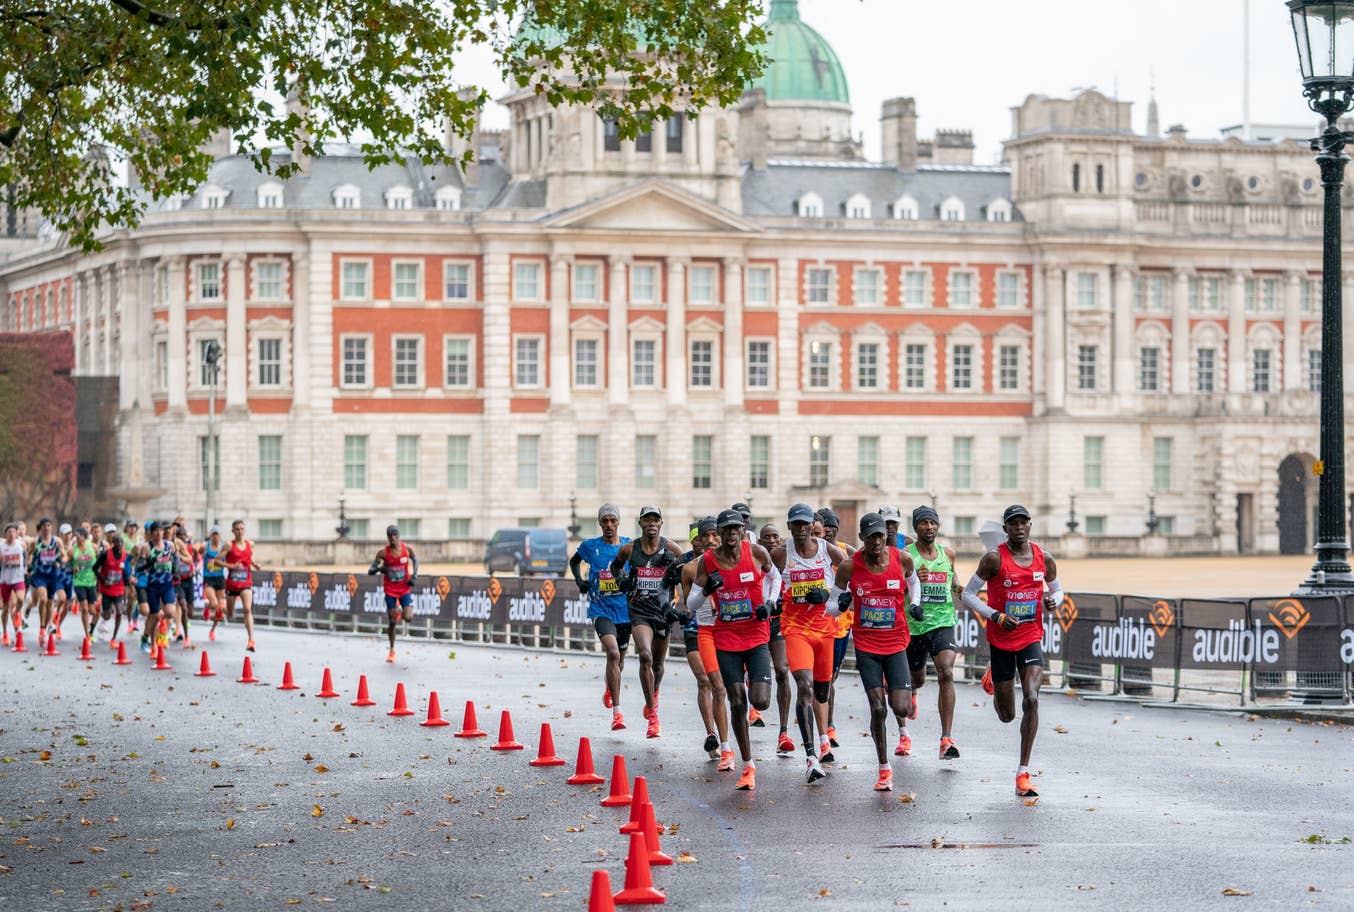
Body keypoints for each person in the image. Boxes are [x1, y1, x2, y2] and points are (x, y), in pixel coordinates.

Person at [961, 504, 1063, 799]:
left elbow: (1057, 590)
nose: (1019, 527)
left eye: (1024, 522)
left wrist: (1053, 600)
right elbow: (968, 595)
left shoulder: (1045, 558)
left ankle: (1023, 772)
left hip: (1031, 636)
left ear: (1030, 525)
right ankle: (995, 676)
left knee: (1031, 699)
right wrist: (995, 615)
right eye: (1013, 524)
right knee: (1007, 715)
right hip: (1002, 640)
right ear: (1005, 529)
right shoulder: (994, 559)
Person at [687, 509, 780, 791]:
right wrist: (705, 591)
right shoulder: (708, 561)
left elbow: (775, 579)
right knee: (736, 701)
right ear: (720, 532)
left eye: (734, 529)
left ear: (742, 530)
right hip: (726, 639)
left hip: (755, 636)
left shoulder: (757, 553)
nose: (729, 535)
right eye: (724, 530)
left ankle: (756, 712)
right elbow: (691, 604)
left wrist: (770, 603)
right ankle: (748, 764)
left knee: (760, 701)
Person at [829, 512, 922, 792]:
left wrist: (915, 603)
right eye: (870, 537)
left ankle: (898, 694)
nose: (876, 541)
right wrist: (842, 603)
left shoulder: (902, 559)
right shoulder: (849, 567)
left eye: (880, 535)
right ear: (862, 539)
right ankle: (884, 768)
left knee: (901, 707)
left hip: (895, 644)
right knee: (878, 709)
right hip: (867, 647)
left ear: (886, 536)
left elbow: (914, 582)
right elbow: (830, 608)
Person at [771, 503, 848, 783]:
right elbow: (764, 576)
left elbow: (850, 577)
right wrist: (770, 601)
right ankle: (811, 757)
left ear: (811, 525)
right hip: (796, 629)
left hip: (825, 629)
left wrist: (828, 593)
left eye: (805, 524)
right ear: (789, 527)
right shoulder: (782, 553)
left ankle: (824, 734)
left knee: (822, 691)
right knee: (804, 685)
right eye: (796, 525)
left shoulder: (829, 551)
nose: (801, 529)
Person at [610, 506, 685, 739]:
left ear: (661, 523)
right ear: (640, 523)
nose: (651, 523)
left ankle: (654, 694)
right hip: (639, 611)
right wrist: (622, 579)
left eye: (655, 519)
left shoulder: (672, 548)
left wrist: (674, 573)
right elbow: (615, 566)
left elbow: (686, 573)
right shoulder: (630, 549)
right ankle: (653, 716)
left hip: (662, 612)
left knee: (658, 666)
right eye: (647, 520)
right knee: (645, 655)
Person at [904, 506, 963, 760]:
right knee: (916, 679)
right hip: (914, 626)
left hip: (942, 622)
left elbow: (952, 576)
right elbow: (893, 588)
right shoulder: (905, 556)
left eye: (933, 523)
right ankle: (915, 692)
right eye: (924, 523)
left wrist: (958, 585)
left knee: (946, 672)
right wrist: (912, 579)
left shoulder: (947, 554)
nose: (929, 527)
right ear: (915, 527)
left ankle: (946, 739)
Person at [671, 517, 730, 762]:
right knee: (705, 681)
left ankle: (726, 733)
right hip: (696, 629)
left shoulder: (729, 561)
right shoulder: (687, 565)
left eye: (711, 536)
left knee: (722, 687)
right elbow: (674, 593)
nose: (705, 542)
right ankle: (710, 734)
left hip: (724, 630)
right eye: (699, 538)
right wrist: (674, 610)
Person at [570, 504, 631, 730]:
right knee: (613, 653)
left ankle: (610, 685)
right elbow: (574, 561)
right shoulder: (590, 546)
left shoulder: (628, 546)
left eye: (612, 520)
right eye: (604, 521)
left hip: (624, 611)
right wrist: (579, 580)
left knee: (620, 659)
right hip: (601, 609)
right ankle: (618, 713)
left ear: (618, 523)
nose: (608, 525)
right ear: (599, 523)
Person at [756, 523, 793, 751]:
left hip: (779, 621)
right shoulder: (753, 560)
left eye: (775, 536)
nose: (771, 540)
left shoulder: (787, 562)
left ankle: (784, 731)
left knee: (782, 670)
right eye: (766, 536)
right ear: (759, 542)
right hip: (755, 622)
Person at [366, 525, 418, 662]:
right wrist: (380, 569)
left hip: (404, 589)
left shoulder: (407, 549)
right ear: (388, 537)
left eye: (395, 535)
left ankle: (401, 612)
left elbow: (415, 559)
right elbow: (370, 571)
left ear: (398, 536)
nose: (392, 538)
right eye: (390, 535)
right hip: (390, 590)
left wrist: (414, 575)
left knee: (409, 618)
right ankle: (392, 650)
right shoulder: (383, 553)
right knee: (392, 621)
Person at [137, 522, 177, 654]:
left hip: (167, 585)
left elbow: (175, 559)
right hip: (152, 586)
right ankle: (152, 644)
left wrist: (176, 572)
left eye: (161, 531)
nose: (159, 533)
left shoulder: (169, 545)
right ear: (151, 532)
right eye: (156, 531)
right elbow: (139, 567)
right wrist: (149, 563)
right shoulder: (146, 548)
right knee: (153, 617)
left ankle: (163, 630)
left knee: (170, 612)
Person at [222, 520, 261, 652]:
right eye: (237, 529)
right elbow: (216, 561)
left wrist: (255, 564)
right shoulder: (228, 545)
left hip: (246, 582)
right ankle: (222, 609)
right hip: (232, 585)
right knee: (230, 614)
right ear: (233, 531)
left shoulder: (250, 544)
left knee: (247, 610)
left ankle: (251, 640)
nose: (239, 531)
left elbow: (251, 557)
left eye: (242, 529)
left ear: (245, 530)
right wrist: (232, 566)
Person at [27, 518, 66, 643]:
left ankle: (48, 625)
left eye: (49, 525)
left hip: (52, 575)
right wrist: (30, 567)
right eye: (44, 526)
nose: (47, 528)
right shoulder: (36, 541)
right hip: (40, 575)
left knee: (49, 603)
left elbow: (64, 555)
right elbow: (29, 554)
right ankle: (42, 628)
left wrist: (60, 562)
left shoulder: (57, 541)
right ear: (41, 527)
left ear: (51, 527)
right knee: (42, 599)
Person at [93, 527, 128, 646]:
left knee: (119, 612)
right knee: (107, 616)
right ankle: (101, 609)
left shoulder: (124, 555)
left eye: (121, 542)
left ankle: (113, 638)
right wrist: (103, 581)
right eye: (117, 542)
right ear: (113, 543)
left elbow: (126, 572)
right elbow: (94, 568)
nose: (119, 544)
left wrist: (129, 583)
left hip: (119, 589)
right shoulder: (105, 555)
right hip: (107, 589)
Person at [68, 527, 99, 640]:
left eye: (79, 535)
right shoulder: (72, 550)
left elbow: (100, 560)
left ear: (85, 536)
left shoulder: (93, 547)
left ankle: (91, 630)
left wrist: (98, 572)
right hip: (79, 582)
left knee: (93, 611)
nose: (77, 537)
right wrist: (73, 567)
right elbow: (67, 564)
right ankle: (87, 635)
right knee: (85, 609)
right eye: (76, 536)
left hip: (91, 582)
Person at [0, 523, 26, 646]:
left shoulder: (21, 544)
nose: (11, 534)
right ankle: (5, 633)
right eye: (9, 532)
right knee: (5, 607)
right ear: (5, 534)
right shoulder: (1, 546)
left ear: (17, 534)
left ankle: (16, 612)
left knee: (20, 600)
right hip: (5, 580)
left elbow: (29, 549)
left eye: (13, 532)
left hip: (18, 578)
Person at [203, 528, 227, 640]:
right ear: (210, 535)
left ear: (220, 536)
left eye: (217, 534)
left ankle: (212, 630)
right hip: (209, 578)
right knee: (213, 603)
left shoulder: (224, 546)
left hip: (220, 578)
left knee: (220, 608)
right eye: (213, 534)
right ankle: (207, 606)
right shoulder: (205, 546)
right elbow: (196, 552)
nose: (215, 537)